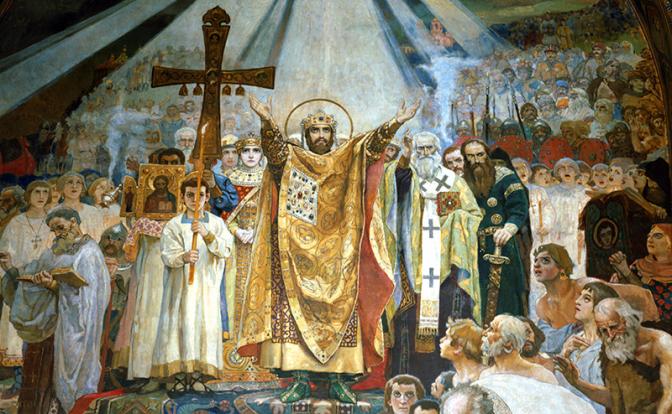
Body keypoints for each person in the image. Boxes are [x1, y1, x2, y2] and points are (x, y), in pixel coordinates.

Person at [237, 94, 420, 403]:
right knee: (292, 316)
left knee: (343, 314)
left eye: (325, 131)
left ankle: (338, 380)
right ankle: (299, 379)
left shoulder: (347, 159)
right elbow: (274, 150)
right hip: (294, 252)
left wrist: (396, 122)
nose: (320, 136)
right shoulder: (291, 158)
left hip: (340, 252)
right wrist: (266, 120)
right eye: (314, 131)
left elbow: (371, 148)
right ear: (306, 134)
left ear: (333, 134)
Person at [387, 132, 482, 386]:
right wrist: (405, 157)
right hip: (411, 264)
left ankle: (449, 380)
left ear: (437, 151)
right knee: (407, 320)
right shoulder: (409, 178)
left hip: (447, 267)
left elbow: (473, 215)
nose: (425, 153)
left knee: (448, 319)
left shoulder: (453, 181)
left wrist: (457, 220)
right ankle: (405, 382)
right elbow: (395, 191)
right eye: (420, 149)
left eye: (430, 148)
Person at [0, 208, 110, 413]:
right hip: (46, 328)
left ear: (74, 222)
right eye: (54, 230)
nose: (57, 233)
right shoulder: (55, 250)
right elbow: (32, 270)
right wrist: (11, 269)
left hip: (70, 329)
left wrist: (53, 286)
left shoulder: (89, 252)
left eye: (60, 227)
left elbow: (89, 299)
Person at [151, 177, 233, 390]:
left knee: (202, 328)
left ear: (207, 197)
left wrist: (207, 235)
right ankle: (179, 375)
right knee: (180, 327)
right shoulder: (174, 225)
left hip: (206, 287)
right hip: (181, 289)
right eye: (190, 195)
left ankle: (197, 375)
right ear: (182, 197)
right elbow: (167, 254)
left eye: (200, 195)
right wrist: (184, 257)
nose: (195, 200)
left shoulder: (216, 223)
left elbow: (226, 249)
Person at [555, 298, 672, 414]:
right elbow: (613, 399)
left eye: (613, 327)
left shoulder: (662, 343)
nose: (610, 335)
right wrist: (577, 382)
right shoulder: (612, 348)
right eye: (604, 330)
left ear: (628, 320)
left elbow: (670, 395)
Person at [461, 139, 529, 322]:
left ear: (487, 155)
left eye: (480, 155)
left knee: (506, 296)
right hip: (472, 248)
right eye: (471, 157)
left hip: (502, 245)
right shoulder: (461, 181)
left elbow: (519, 207)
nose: (476, 160)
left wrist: (508, 229)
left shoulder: (505, 176)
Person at [222, 134, 270, 380]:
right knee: (235, 292)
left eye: (256, 151)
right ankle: (233, 351)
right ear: (240, 154)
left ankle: (261, 351)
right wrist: (236, 231)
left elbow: (273, 212)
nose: (251, 155)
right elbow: (223, 214)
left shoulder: (268, 178)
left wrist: (258, 231)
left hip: (262, 242)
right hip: (236, 245)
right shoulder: (229, 179)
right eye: (246, 151)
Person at [0, 181, 53, 399]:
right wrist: (12, 272)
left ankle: (40, 385)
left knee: (42, 333)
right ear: (28, 195)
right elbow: (5, 253)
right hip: (19, 283)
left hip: (44, 287)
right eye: (37, 192)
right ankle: (19, 383)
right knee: (17, 335)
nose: (41, 196)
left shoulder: (53, 221)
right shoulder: (17, 223)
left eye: (45, 192)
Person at [559, 282, 619, 414]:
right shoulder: (572, 340)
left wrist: (577, 382)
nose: (577, 301)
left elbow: (614, 398)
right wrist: (564, 354)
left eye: (586, 299)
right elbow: (559, 385)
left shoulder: (611, 347)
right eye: (580, 296)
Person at [512, 158, 555, 318]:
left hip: (538, 239)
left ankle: (542, 315)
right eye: (516, 168)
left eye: (524, 167)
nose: (521, 171)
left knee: (540, 278)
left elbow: (548, 210)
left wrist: (546, 225)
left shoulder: (538, 191)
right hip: (521, 241)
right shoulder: (510, 191)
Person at [609, 224, 672, 326]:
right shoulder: (638, 266)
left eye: (657, 236)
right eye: (649, 236)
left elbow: (661, 308)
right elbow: (625, 298)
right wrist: (621, 275)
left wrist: (627, 273)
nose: (650, 240)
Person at [480, 315, 558, 385]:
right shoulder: (486, 376)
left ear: (508, 342)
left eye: (492, 329)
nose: (485, 333)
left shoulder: (542, 376)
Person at [545, 158, 589, 278]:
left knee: (577, 266)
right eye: (562, 168)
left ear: (575, 172)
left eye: (570, 168)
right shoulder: (550, 192)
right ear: (558, 173)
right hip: (557, 234)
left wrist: (582, 232)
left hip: (576, 234)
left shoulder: (584, 192)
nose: (566, 170)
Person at [436, 318, 486, 395]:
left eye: (447, 337)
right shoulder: (455, 379)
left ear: (458, 349)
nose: (441, 340)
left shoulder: (484, 377)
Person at [53, 171, 105, 241]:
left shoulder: (93, 211)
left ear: (82, 187)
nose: (74, 186)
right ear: (62, 187)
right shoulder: (54, 212)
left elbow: (99, 238)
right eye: (70, 182)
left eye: (78, 182)